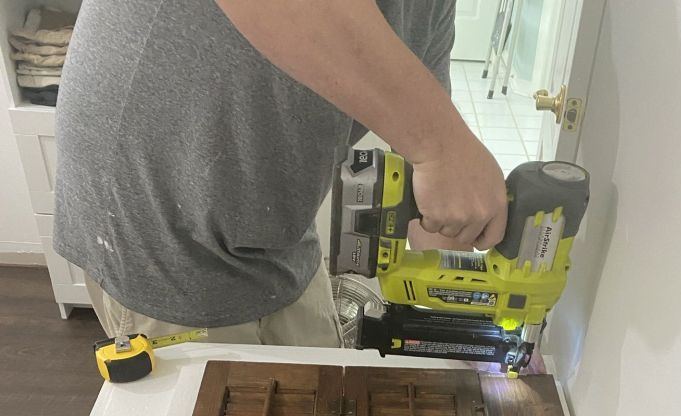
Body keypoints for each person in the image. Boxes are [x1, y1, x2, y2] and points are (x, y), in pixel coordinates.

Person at [54, 0, 509, 347]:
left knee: (324, 415)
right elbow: (434, 146)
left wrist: (454, 294)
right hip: (163, 216)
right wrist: (443, 150)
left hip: (271, 227)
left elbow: (423, 128)